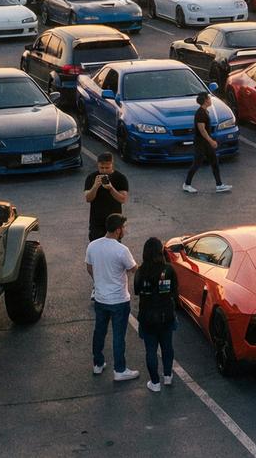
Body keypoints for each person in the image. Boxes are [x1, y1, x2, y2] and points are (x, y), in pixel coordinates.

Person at [85, 213, 139, 380]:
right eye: (124, 227)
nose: (125, 230)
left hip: (100, 298)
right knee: (118, 336)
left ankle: (98, 364)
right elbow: (134, 269)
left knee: (99, 332)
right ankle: (120, 370)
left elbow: (89, 267)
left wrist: (99, 281)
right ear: (117, 230)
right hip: (119, 300)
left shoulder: (93, 246)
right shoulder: (122, 250)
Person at [134, 236, 177, 393]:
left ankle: (155, 382)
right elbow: (175, 291)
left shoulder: (141, 271)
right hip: (166, 315)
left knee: (151, 350)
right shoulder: (169, 270)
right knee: (167, 347)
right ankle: (168, 375)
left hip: (147, 316)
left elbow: (136, 290)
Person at [182, 92, 230, 194]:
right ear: (205, 101)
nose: (210, 100)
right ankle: (186, 184)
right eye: (209, 98)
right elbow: (202, 130)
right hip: (201, 143)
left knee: (214, 162)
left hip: (206, 143)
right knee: (197, 163)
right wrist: (211, 141)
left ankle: (219, 185)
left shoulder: (205, 111)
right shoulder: (200, 113)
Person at [83, 152, 129, 243]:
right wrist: (95, 186)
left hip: (114, 222)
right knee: (96, 247)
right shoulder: (91, 178)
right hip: (97, 223)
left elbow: (123, 199)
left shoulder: (120, 178)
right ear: (98, 165)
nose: (104, 170)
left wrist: (111, 188)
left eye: (107, 167)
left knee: (114, 248)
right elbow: (88, 198)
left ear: (112, 164)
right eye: (101, 167)